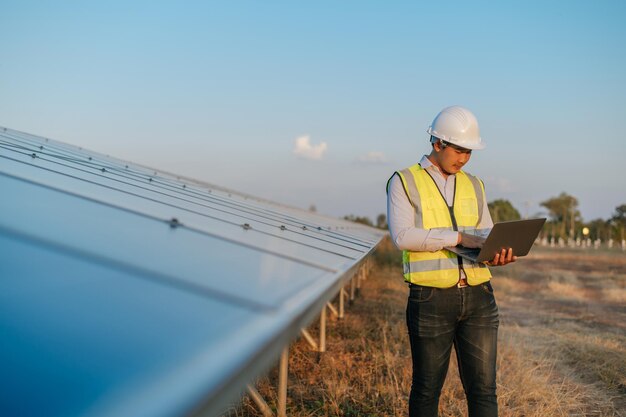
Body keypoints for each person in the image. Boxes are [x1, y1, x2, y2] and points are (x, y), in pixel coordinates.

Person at [386, 106, 516, 417]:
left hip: (479, 297)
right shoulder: (403, 181)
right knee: (428, 388)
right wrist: (457, 238)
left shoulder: (475, 184)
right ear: (437, 143)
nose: (464, 159)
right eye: (459, 150)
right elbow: (403, 236)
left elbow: (483, 234)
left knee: (484, 390)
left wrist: (495, 253)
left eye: (469, 152)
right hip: (430, 299)